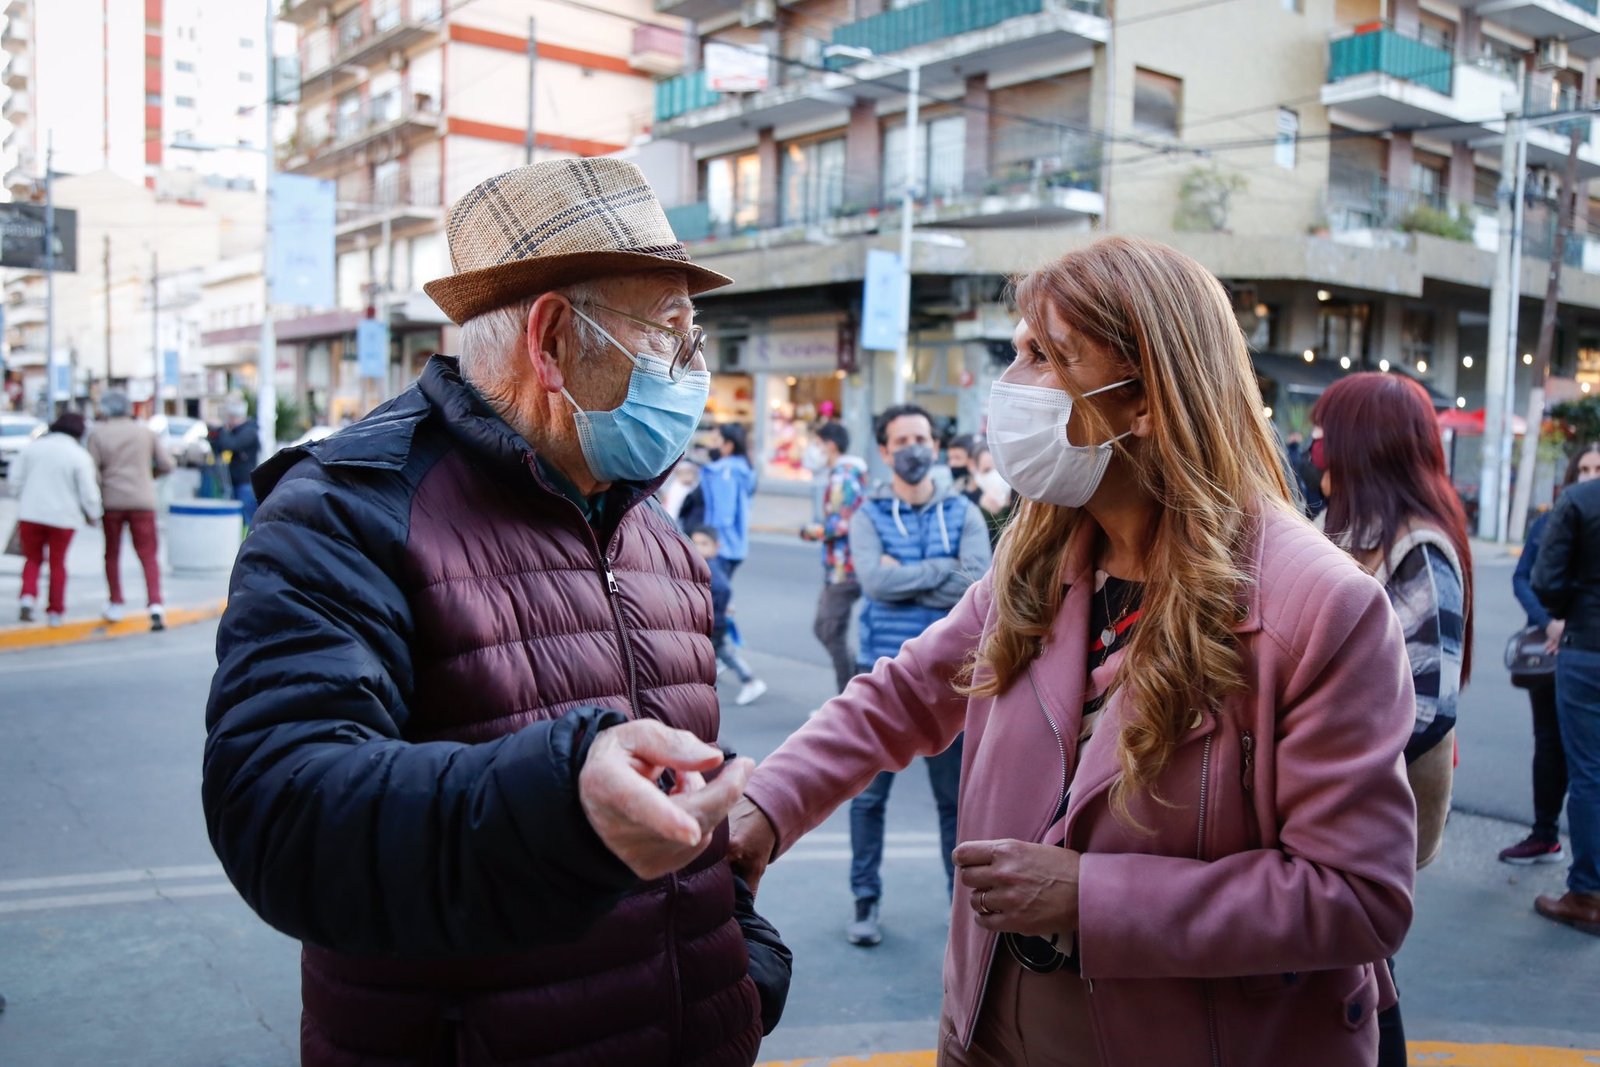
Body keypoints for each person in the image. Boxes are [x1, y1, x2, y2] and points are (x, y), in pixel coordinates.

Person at [729, 237, 1417, 1067]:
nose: (1012, 383)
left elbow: (1359, 897)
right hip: (991, 1032)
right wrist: (766, 807)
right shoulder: (1041, 555)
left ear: (1146, 400)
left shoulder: (1323, 607)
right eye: (1018, 351)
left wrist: (1090, 895)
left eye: (1047, 356)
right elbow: (904, 694)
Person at [203, 159, 775, 1066]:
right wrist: (560, 804)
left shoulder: (651, 530)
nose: (694, 368)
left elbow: (679, 798)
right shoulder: (347, 511)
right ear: (551, 340)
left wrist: (743, 954)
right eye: (670, 331)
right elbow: (280, 812)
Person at [1310, 372, 1474, 1067]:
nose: (1314, 451)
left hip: (1362, 804)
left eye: (1325, 437)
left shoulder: (1418, 549)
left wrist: (1319, 765)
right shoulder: (1346, 531)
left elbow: (1429, 705)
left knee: (1361, 966)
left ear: (1362, 444)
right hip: (1331, 798)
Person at [840, 403, 992, 947]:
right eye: (901, 441)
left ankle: (961, 911)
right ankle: (865, 901)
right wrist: (941, 575)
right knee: (868, 797)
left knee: (955, 804)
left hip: (953, 680)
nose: (914, 449)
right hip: (881, 673)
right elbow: (874, 584)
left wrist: (905, 575)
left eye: (921, 438)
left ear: (935, 444)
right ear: (884, 452)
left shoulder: (964, 512)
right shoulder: (868, 514)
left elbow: (977, 583)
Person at [1502, 445, 1600, 864]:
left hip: (1583, 647)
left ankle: (1586, 871)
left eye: (1598, 468)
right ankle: (1545, 834)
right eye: (1585, 468)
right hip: (1550, 648)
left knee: (1587, 767)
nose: (1591, 474)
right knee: (1548, 745)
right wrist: (1551, 622)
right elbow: (1524, 579)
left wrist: (1571, 623)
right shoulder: (1551, 521)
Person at [1531, 444, 1600, 937]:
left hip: (1587, 647)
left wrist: (1569, 605)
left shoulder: (1578, 500)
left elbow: (1546, 581)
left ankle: (1587, 893)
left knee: (1588, 773)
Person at [87, 390, 174, 629]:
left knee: (112, 553)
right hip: (142, 500)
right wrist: (150, 475)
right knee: (148, 554)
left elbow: (92, 472)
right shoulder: (145, 432)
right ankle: (155, 604)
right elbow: (167, 464)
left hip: (112, 501)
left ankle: (115, 603)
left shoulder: (98, 434)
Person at [10, 412, 102, 627]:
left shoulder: (33, 448)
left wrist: (23, 498)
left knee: (32, 558)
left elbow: (15, 480)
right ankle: (55, 611)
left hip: (31, 514)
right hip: (63, 518)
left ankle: (27, 597)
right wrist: (94, 515)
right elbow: (89, 493)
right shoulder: (79, 456)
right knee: (57, 563)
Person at [799, 420, 868, 694]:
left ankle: (850, 696)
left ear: (830, 445)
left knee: (829, 630)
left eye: (816, 444)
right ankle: (855, 691)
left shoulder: (842, 475)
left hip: (844, 567)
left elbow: (841, 523)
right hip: (842, 566)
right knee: (826, 629)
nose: (813, 450)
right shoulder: (848, 473)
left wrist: (810, 531)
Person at [690, 525, 767, 706]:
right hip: (715, 621)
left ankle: (749, 681)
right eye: (695, 543)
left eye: (704, 544)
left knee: (718, 653)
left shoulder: (711, 569)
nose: (698, 548)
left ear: (716, 546)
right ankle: (744, 679)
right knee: (721, 652)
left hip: (714, 623)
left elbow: (723, 590)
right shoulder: (710, 564)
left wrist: (714, 611)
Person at [701, 422, 755, 577]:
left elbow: (723, 513)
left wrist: (710, 543)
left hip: (721, 546)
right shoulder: (743, 468)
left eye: (717, 440)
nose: (713, 444)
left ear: (729, 445)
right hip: (735, 544)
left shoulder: (724, 472)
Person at [212, 398, 261, 526]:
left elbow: (231, 445)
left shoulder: (249, 431)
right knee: (236, 520)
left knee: (245, 519)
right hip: (234, 482)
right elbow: (219, 446)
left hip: (245, 484)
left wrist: (222, 430)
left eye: (229, 417)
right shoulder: (237, 431)